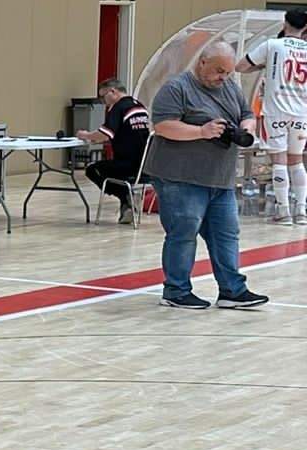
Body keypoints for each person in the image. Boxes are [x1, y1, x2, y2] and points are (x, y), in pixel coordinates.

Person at [148, 44, 267, 310]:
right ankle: (176, 291)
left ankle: (232, 291)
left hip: (220, 179)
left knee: (227, 234)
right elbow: (163, 126)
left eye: (227, 72)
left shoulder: (230, 88)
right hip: (181, 178)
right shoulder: (176, 88)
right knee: (183, 233)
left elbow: (247, 114)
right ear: (202, 62)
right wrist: (202, 132)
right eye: (218, 70)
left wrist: (246, 129)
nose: (223, 77)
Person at [242, 7, 307, 225]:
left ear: (285, 23)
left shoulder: (272, 45)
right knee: (297, 161)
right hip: (301, 113)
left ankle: (283, 211)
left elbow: (241, 66)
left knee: (279, 160)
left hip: (276, 111)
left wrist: (264, 66)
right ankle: (301, 211)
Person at [79, 77, 151, 224]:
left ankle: (126, 197)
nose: (103, 101)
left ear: (113, 91)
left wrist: (86, 135)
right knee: (109, 168)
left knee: (92, 170)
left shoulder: (119, 108)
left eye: (103, 96)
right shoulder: (140, 107)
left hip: (127, 165)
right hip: (146, 166)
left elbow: (104, 134)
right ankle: (127, 203)